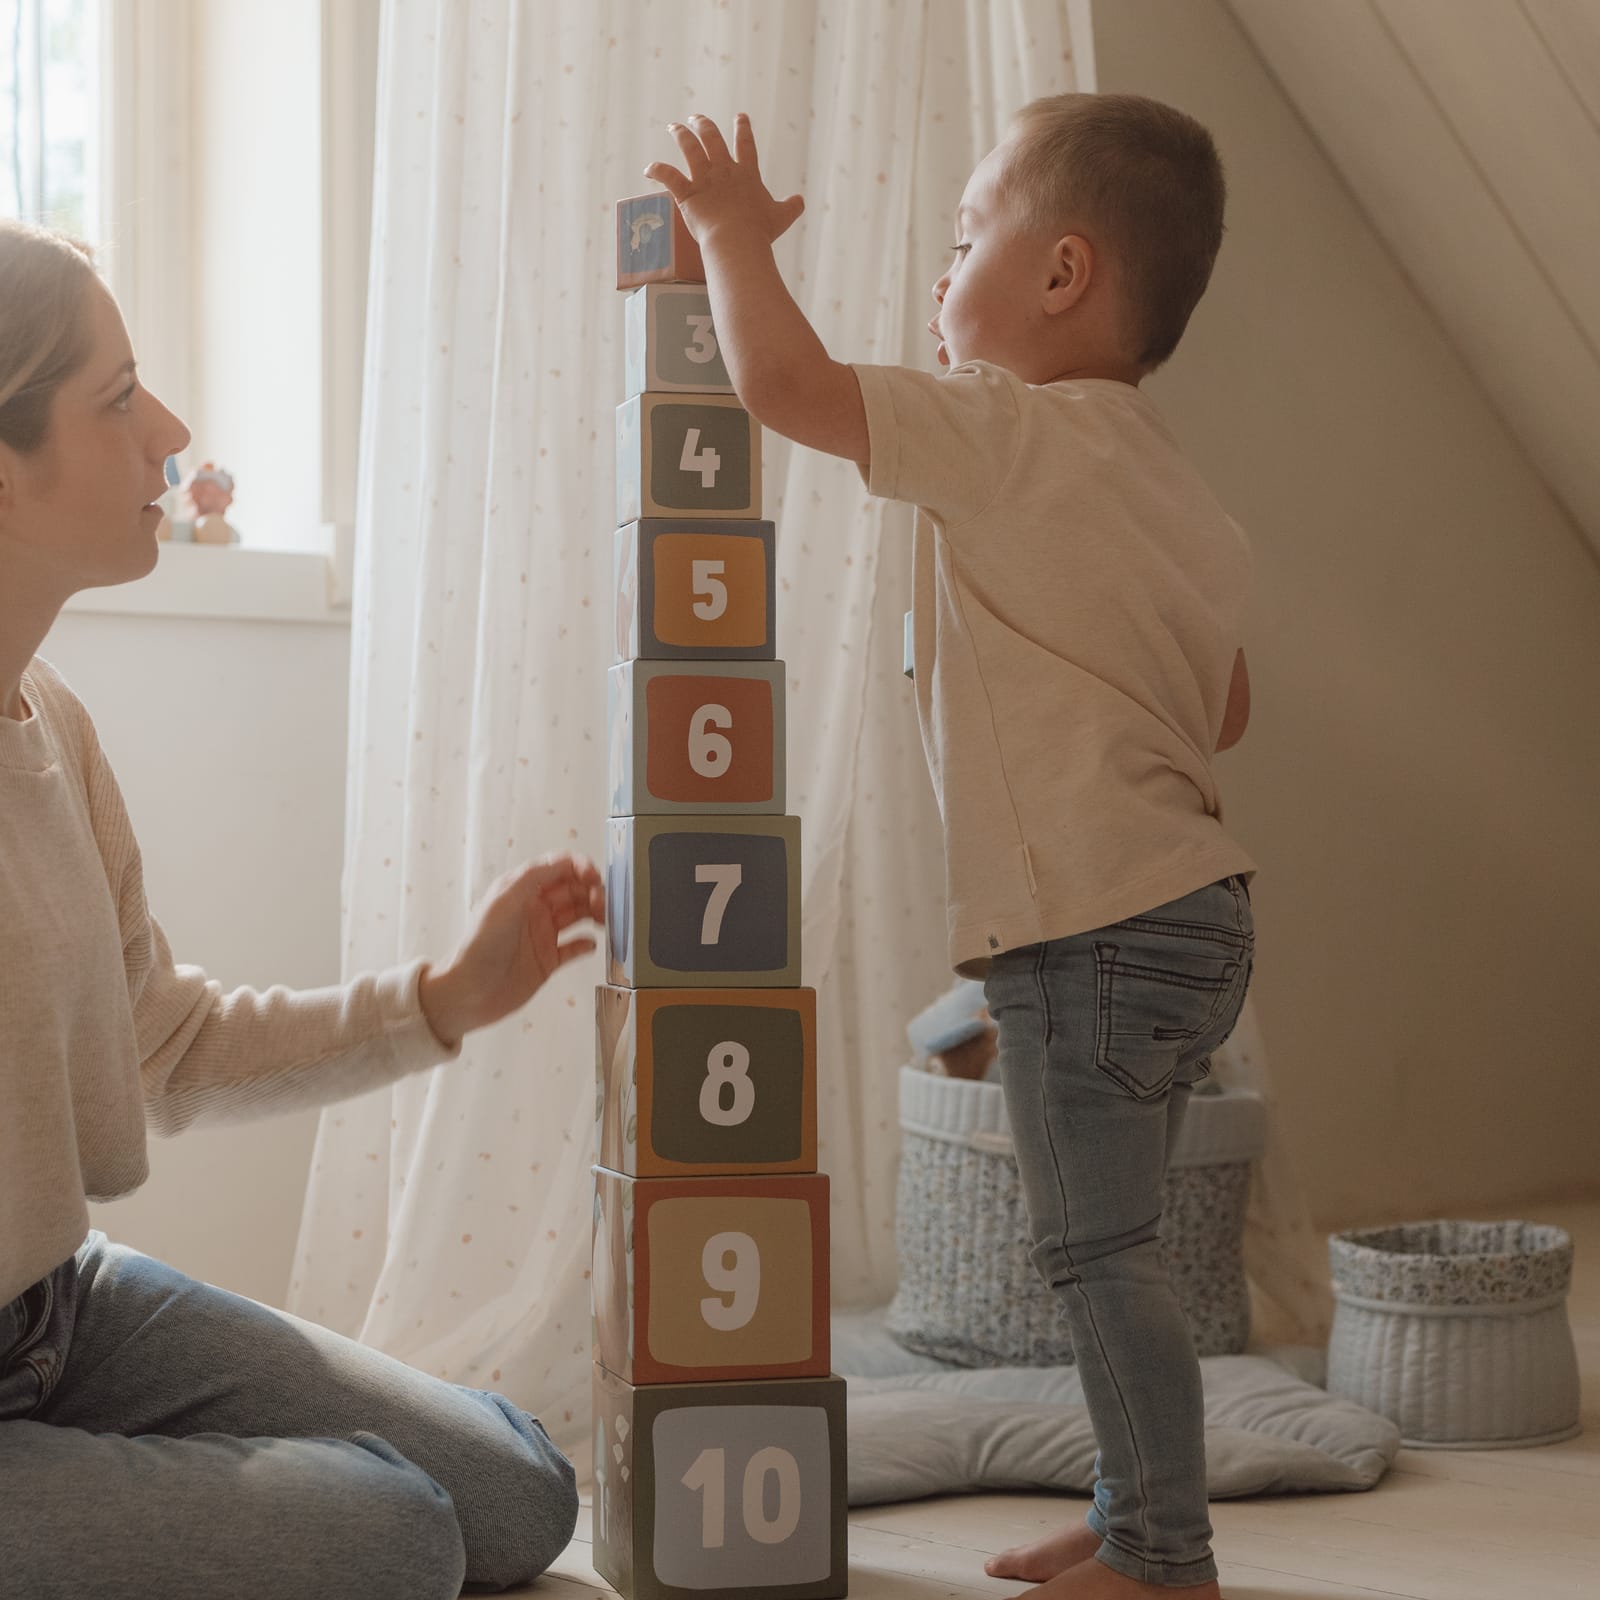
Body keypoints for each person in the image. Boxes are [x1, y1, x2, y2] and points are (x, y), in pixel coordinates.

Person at [647, 97, 1256, 1598]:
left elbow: (784, 383)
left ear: (1059, 276)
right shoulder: (1177, 483)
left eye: (965, 238)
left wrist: (730, 234)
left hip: (1096, 927)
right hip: (1199, 914)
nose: (940, 274)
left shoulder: (1006, 425)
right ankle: (1135, 1514)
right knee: (1116, 1238)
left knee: (1097, 1261)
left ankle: (1163, 1556)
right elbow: (1228, 706)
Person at [0, 218, 603, 1598]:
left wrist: (440, 1000)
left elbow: (166, 1042)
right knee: (396, 1535)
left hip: (57, 1312)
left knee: (516, 1498)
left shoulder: (54, 724)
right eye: (113, 401)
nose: (170, 428)